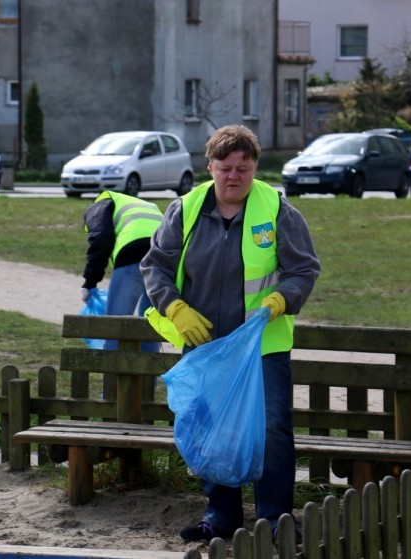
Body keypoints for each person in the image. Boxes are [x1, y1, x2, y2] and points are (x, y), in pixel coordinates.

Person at [140, 125, 321, 541]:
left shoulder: (277, 210)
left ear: (255, 167)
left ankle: (274, 519)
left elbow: (303, 269)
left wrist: (280, 300)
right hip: (205, 346)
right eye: (226, 168)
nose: (234, 176)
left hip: (262, 346)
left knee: (271, 429)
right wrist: (175, 308)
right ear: (210, 167)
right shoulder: (184, 210)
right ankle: (220, 516)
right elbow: (155, 266)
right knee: (210, 428)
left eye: (244, 167)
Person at [82, 191, 164, 352]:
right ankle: (147, 377)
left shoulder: (99, 204)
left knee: (115, 327)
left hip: (133, 255)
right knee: (150, 326)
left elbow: (101, 238)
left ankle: (114, 376)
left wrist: (89, 283)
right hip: (165, 259)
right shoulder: (145, 205)